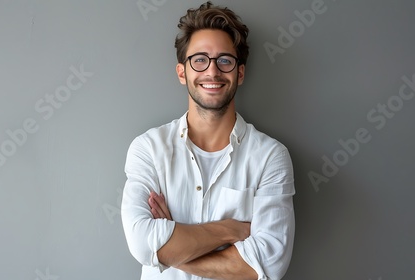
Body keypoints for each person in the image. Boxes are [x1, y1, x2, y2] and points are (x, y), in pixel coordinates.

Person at [121, 2, 295, 279]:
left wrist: (170, 248)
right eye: (199, 59)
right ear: (182, 73)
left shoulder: (270, 156)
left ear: (239, 73)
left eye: (224, 60)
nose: (212, 72)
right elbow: (142, 243)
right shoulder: (148, 149)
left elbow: (269, 264)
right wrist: (230, 229)